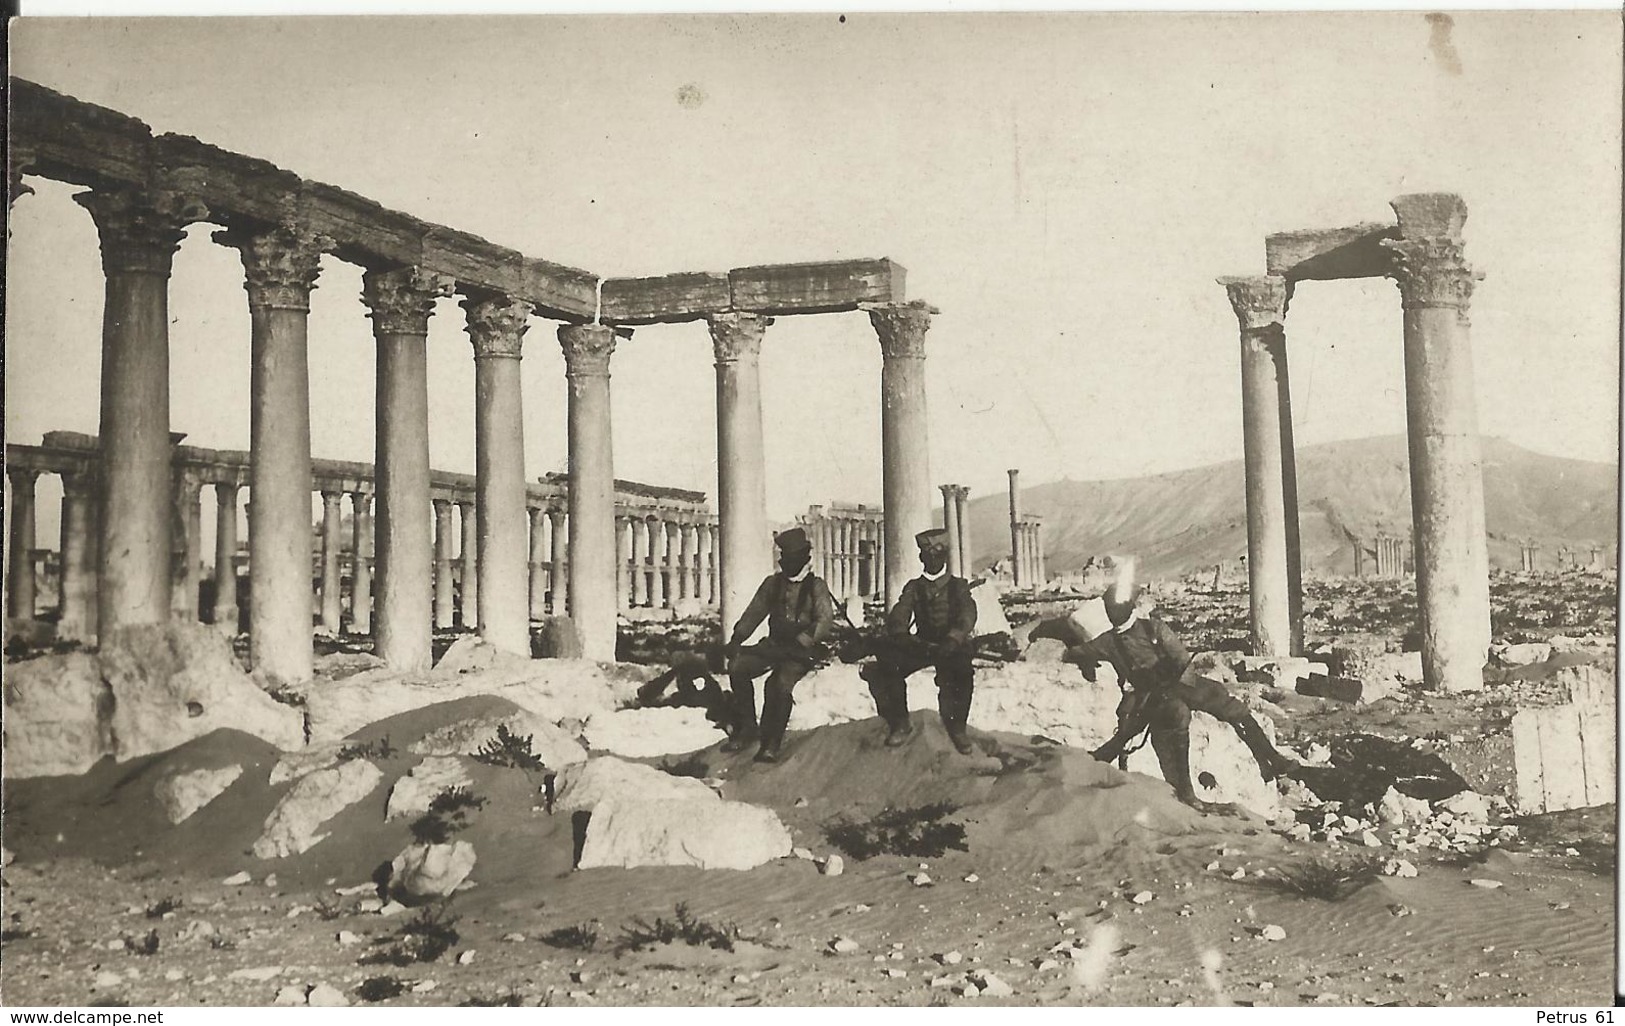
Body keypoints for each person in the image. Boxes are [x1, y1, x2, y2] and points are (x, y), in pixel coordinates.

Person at [1063, 573, 1297, 812]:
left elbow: (1180, 660)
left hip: (1172, 687)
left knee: (1220, 703)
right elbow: (1181, 659)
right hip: (1159, 694)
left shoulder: (1126, 635)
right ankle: (1196, 787)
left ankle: (1269, 759)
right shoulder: (1131, 634)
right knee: (1188, 712)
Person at [721, 527, 835, 763]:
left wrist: (805, 639)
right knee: (738, 667)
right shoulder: (772, 584)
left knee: (779, 684)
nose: (783, 561)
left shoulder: (816, 586)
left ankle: (772, 742)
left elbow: (825, 620)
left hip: (801, 650)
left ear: (804, 557)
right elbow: (754, 612)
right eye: (782, 555)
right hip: (774, 645)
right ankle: (748, 728)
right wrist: (737, 639)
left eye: (789, 556)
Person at [860, 528, 978, 754]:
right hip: (922, 645)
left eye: (937, 555)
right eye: (927, 556)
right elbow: (900, 612)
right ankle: (901, 724)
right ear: (921, 558)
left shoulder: (958, 586)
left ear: (944, 557)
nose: (932, 560)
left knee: (962, 672)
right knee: (889, 665)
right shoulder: (914, 586)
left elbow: (967, 615)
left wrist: (954, 639)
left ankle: (958, 728)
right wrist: (900, 634)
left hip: (950, 646)